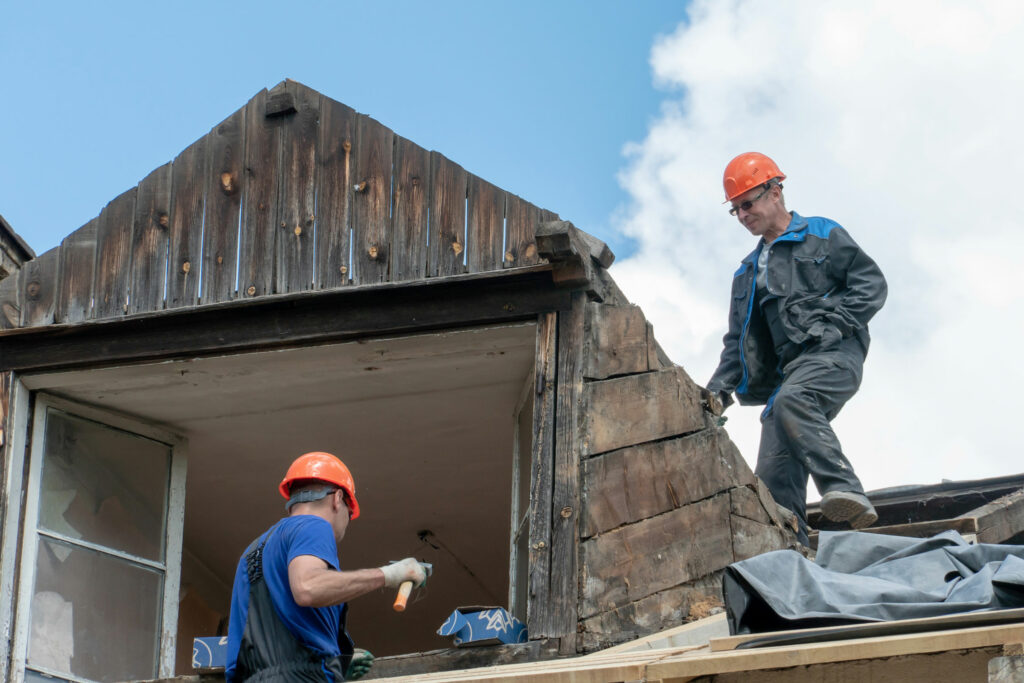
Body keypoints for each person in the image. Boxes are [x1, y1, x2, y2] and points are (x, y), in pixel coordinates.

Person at [705, 152, 887, 545]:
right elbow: (738, 342)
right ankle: (792, 552)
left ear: (775, 192)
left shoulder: (822, 233)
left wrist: (834, 326)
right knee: (771, 475)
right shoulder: (746, 273)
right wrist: (716, 392)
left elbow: (870, 285)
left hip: (833, 357)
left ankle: (845, 488)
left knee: (793, 400)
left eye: (747, 204)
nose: (742, 216)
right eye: (734, 210)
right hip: (788, 377)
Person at [225, 451, 429, 682]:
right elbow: (308, 587)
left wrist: (335, 667)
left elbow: (268, 645)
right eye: (349, 514)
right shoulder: (313, 525)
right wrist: (388, 574)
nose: (346, 522)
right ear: (337, 499)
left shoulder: (252, 552)